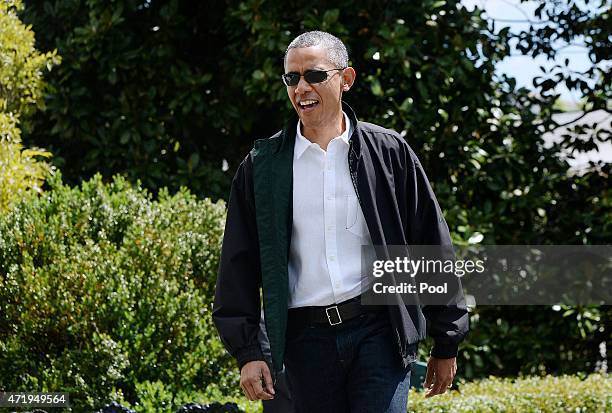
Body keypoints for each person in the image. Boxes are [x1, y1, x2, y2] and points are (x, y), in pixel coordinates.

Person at [213, 30, 469, 413]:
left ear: (345, 79)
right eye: (291, 78)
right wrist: (249, 351)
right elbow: (238, 264)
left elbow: (430, 242)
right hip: (304, 343)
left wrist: (446, 339)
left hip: (379, 331)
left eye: (314, 75)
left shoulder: (390, 152)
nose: (301, 87)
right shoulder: (262, 168)